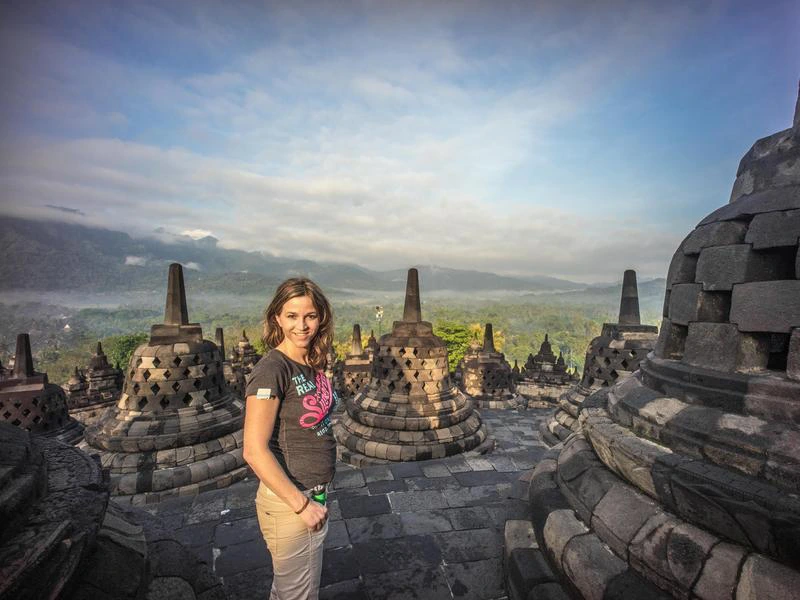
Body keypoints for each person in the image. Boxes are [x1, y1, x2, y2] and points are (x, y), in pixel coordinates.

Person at [243, 278, 338, 599]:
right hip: (292, 500)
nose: (302, 325)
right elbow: (253, 450)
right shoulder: (272, 370)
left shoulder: (310, 361)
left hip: (312, 493)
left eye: (310, 316)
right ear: (277, 319)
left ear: (321, 318)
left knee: (290, 591)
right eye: (292, 316)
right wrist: (302, 506)